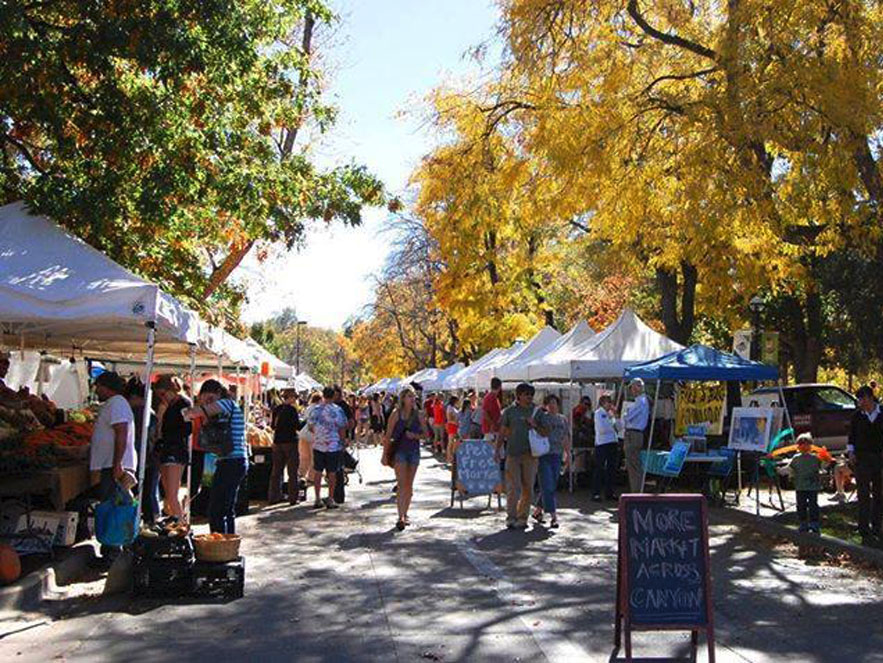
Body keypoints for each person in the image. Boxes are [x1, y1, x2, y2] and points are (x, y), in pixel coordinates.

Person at [185, 380, 248, 534]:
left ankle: (220, 540)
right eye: (204, 398)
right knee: (225, 507)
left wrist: (190, 412)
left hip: (232, 461)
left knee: (217, 509)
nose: (207, 402)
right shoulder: (223, 409)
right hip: (229, 461)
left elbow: (199, 412)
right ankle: (226, 541)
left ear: (218, 394)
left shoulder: (227, 404)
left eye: (210, 398)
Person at [89, 371, 137, 561]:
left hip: (114, 465)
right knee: (112, 506)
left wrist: (117, 463)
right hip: (112, 464)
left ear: (105, 386)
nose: (96, 390)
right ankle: (112, 551)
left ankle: (113, 552)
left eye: (97, 386)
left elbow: (121, 433)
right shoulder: (115, 403)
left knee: (114, 508)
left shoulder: (117, 403)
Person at [497, 382, 549, 530]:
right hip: (512, 454)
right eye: (526, 394)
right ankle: (511, 517)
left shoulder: (538, 412)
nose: (529, 397)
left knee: (528, 488)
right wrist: (497, 451)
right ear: (519, 395)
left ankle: (522, 517)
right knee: (513, 487)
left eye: (531, 395)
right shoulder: (509, 412)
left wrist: (535, 425)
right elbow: (502, 431)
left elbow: (546, 432)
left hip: (531, 456)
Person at [384, 388, 430, 530]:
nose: (412, 399)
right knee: (401, 483)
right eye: (409, 396)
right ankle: (400, 517)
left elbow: (427, 435)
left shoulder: (420, 415)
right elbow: (388, 435)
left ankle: (405, 513)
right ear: (402, 398)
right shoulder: (395, 414)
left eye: (414, 396)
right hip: (400, 452)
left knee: (409, 485)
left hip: (414, 452)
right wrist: (385, 455)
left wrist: (415, 436)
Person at [154, 375, 192, 522]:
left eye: (163, 394)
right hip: (167, 448)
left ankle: (181, 524)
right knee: (168, 494)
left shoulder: (183, 403)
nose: (162, 398)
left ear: (172, 390)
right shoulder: (169, 405)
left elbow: (188, 428)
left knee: (172, 494)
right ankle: (175, 521)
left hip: (176, 450)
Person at [848, 385, 883, 544]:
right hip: (862, 458)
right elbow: (851, 436)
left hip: (879, 458)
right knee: (863, 493)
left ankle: (877, 526)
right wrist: (851, 453)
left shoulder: (881, 413)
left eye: (861, 399)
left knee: (879, 493)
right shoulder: (857, 416)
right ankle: (863, 528)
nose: (859, 402)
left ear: (869, 398)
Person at [532, 394, 571, 528]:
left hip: (557, 455)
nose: (553, 405)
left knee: (550, 485)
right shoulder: (543, 417)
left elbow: (565, 437)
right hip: (544, 454)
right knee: (548, 485)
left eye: (555, 403)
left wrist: (568, 454)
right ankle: (554, 516)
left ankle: (537, 510)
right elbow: (532, 420)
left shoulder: (563, 420)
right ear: (546, 405)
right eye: (550, 403)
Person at [308, 387, 348, 509]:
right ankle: (330, 498)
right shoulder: (338, 410)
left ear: (323, 395)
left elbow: (310, 426)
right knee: (332, 473)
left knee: (318, 472)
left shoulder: (315, 409)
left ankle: (317, 498)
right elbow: (342, 428)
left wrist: (319, 434)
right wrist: (343, 442)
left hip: (319, 444)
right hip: (333, 445)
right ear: (334, 395)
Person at [126, 378, 159, 524]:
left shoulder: (138, 412)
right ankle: (150, 523)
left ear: (134, 397)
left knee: (140, 494)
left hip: (141, 458)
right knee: (148, 494)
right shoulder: (149, 412)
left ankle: (143, 525)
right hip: (150, 458)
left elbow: (138, 439)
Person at [269, 389, 300, 505]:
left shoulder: (277, 409)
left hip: (277, 442)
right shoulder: (292, 410)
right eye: (295, 397)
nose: (295, 400)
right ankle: (293, 497)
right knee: (292, 471)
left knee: (276, 470)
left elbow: (272, 426)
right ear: (291, 397)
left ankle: (274, 496)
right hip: (290, 441)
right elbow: (297, 426)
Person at [789, 433, 823, 533]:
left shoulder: (815, 458)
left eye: (807, 444)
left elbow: (822, 467)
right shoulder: (796, 459)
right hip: (800, 486)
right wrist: (778, 470)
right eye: (802, 444)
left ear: (811, 446)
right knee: (801, 505)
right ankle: (803, 522)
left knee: (813, 505)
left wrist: (828, 460)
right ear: (798, 446)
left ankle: (814, 523)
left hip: (813, 487)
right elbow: (790, 469)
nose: (804, 446)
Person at [622, 379, 651, 492]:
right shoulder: (641, 401)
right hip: (635, 434)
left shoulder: (641, 401)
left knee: (633, 465)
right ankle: (636, 490)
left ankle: (636, 492)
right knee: (634, 465)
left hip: (634, 434)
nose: (632, 390)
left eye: (633, 388)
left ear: (639, 387)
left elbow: (628, 417)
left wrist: (625, 414)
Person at [592, 395, 620, 502]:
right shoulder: (599, 413)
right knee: (600, 468)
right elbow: (602, 428)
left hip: (613, 442)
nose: (610, 405)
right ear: (603, 403)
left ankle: (610, 492)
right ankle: (596, 493)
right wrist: (612, 427)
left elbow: (620, 426)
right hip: (602, 443)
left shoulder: (610, 414)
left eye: (610, 402)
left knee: (611, 469)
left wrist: (616, 417)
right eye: (608, 402)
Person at [298, 392, 322, 480]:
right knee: (314, 458)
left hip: (303, 434)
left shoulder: (308, 408)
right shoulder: (318, 409)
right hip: (313, 435)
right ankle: (311, 477)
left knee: (304, 457)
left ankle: (301, 475)